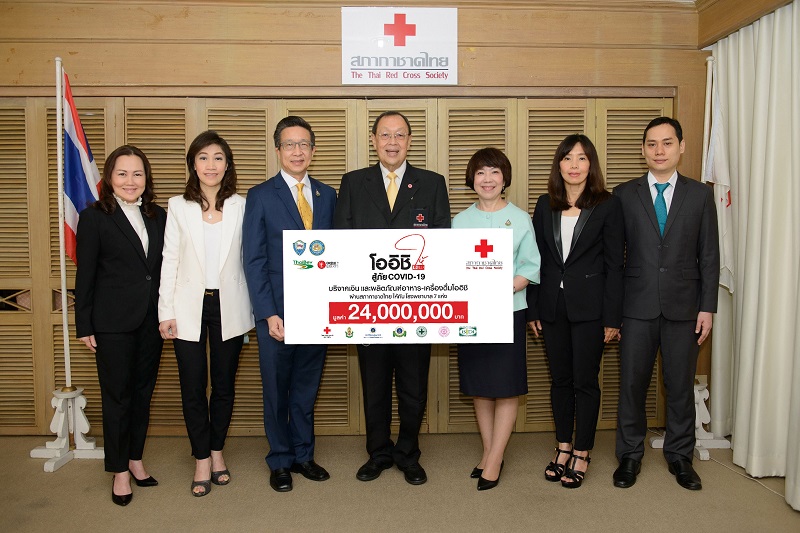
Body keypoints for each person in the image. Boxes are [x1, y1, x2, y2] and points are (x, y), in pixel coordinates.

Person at [334, 111, 450, 485]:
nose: (392, 142)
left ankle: (408, 453)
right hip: (367, 305)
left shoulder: (432, 183)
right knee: (375, 384)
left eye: (400, 135)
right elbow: (340, 242)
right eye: (385, 135)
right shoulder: (353, 183)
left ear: (410, 141)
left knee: (414, 386)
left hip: (416, 306)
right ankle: (379, 452)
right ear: (374, 140)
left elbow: (443, 244)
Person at [612, 117, 719, 491]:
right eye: (652, 144)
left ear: (681, 147)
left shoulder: (700, 195)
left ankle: (680, 456)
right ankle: (629, 455)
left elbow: (709, 255)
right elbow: (614, 258)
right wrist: (613, 312)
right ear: (643, 150)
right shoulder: (623, 194)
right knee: (632, 385)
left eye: (667, 143)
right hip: (634, 307)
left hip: (685, 307)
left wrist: (707, 307)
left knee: (679, 385)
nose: (659, 150)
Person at [243, 116, 337, 493]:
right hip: (277, 313)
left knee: (305, 388)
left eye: (303, 144)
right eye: (289, 145)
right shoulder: (260, 195)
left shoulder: (328, 195)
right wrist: (268, 313)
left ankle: (303, 455)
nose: (297, 151)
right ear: (278, 150)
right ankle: (280, 459)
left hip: (318, 311)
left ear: (313, 150)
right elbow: (254, 259)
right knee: (276, 390)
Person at [157, 131, 253, 497]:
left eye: (218, 158)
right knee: (193, 386)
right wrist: (165, 310)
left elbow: (251, 258)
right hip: (187, 307)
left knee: (224, 386)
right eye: (203, 157)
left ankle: (217, 452)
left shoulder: (242, 205)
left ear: (227, 165)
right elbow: (170, 260)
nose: (210, 165)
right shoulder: (177, 206)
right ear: (193, 164)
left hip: (230, 305)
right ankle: (200, 457)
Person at [526, 134, 624, 488]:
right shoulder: (544, 204)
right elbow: (535, 259)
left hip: (591, 310)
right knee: (560, 380)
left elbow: (615, 265)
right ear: (559, 164)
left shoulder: (607, 204)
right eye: (567, 158)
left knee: (585, 381)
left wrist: (613, 318)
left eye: (582, 158)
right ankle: (563, 447)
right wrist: (534, 308)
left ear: (590, 164)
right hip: (552, 307)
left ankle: (582, 451)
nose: (574, 165)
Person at [74, 145, 167, 506]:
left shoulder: (158, 215)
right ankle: (119, 471)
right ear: (110, 178)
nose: (131, 181)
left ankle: (135, 459)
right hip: (111, 322)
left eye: (137, 173)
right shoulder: (94, 217)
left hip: (151, 320)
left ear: (146, 178)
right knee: (117, 398)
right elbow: (85, 276)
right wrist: (84, 324)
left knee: (142, 395)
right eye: (122, 173)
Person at [453, 147, 539, 491]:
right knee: (480, 386)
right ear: (472, 179)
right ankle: (490, 452)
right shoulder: (459, 221)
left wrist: (501, 288)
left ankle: (495, 458)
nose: (487, 179)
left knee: (505, 387)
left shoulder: (520, 218)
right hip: (472, 315)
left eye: (494, 172)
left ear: (505, 179)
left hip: (508, 311)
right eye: (480, 173)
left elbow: (530, 266)